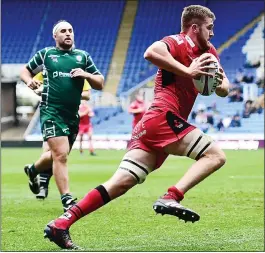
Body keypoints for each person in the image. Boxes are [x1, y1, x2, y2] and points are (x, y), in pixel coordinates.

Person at [44, 5, 229, 249]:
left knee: (120, 183)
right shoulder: (178, 41)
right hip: (164, 117)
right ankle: (171, 196)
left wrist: (214, 76)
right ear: (195, 28)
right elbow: (150, 52)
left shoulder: (209, 52)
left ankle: (61, 223)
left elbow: (223, 89)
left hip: (151, 125)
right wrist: (189, 70)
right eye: (210, 28)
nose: (213, 33)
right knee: (215, 155)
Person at [20, 20, 104, 211]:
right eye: (63, 31)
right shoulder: (46, 54)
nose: (68, 34)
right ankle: (67, 199)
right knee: (60, 155)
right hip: (51, 111)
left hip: (72, 115)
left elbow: (100, 82)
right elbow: (25, 71)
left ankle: (33, 170)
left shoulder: (83, 57)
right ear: (55, 36)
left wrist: (86, 75)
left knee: (60, 154)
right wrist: (29, 81)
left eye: (70, 31)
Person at [31, 72, 92, 200]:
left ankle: (33, 170)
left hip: (69, 118)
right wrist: (39, 90)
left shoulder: (77, 73)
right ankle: (44, 187)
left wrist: (67, 95)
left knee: (58, 155)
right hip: (50, 114)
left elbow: (87, 94)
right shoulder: (47, 70)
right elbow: (34, 86)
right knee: (49, 150)